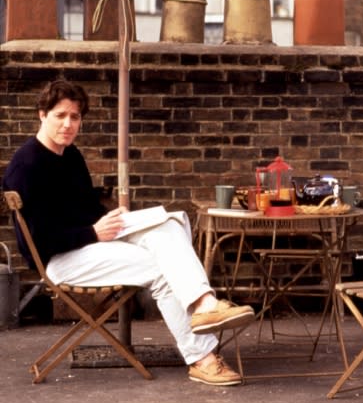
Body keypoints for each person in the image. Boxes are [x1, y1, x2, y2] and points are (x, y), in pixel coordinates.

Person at [2, 79, 255, 386]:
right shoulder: (26, 166)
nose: (68, 124)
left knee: (169, 222)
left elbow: (83, 211)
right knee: (165, 268)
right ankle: (202, 359)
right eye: (60, 115)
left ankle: (205, 305)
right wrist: (93, 232)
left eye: (75, 117)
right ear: (42, 115)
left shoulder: (70, 156)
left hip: (90, 243)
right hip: (60, 260)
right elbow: (38, 244)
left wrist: (109, 218)